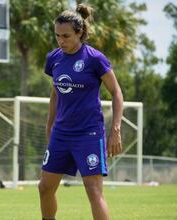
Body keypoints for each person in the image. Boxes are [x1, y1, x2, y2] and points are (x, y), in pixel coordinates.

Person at [38, 4, 123, 220]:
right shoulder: (54, 59)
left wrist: (115, 129)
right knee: (45, 188)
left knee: (93, 191)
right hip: (61, 133)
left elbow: (116, 92)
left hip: (89, 134)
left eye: (66, 36)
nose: (61, 40)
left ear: (80, 32)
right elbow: (55, 94)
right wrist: (49, 127)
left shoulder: (94, 58)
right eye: (57, 36)